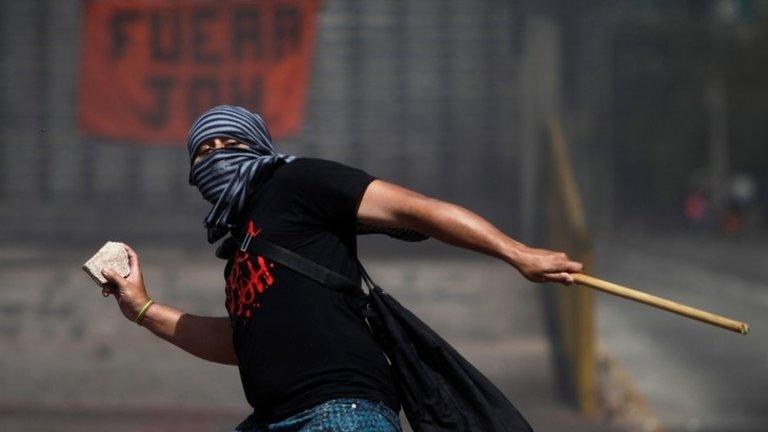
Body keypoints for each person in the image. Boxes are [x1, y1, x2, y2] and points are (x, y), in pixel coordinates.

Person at [100, 105, 583, 432]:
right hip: (274, 417)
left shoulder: (296, 182)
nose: (215, 156)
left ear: (259, 147)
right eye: (203, 151)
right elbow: (240, 343)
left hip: (340, 414)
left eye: (230, 142)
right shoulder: (242, 249)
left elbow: (417, 210)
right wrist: (142, 308)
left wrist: (517, 253)